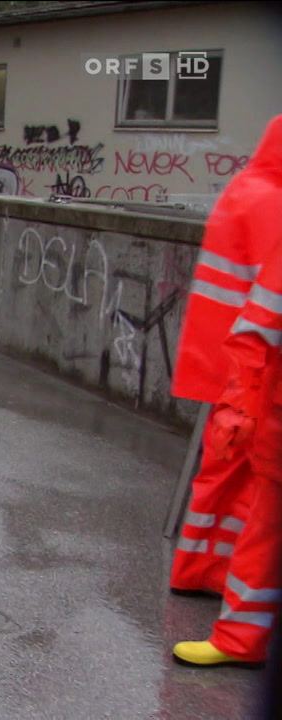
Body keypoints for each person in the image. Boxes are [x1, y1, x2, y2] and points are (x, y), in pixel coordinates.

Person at [169, 115, 282, 598]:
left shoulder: (247, 188)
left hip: (220, 351)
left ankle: (197, 570)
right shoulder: (270, 200)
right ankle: (222, 577)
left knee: (220, 470)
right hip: (248, 364)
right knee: (243, 475)